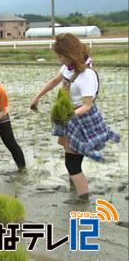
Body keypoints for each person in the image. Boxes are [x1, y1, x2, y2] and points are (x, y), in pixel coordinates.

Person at [30, 33, 119, 203]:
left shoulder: (87, 75)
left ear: (70, 55)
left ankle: (83, 199)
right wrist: (37, 96)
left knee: (72, 163)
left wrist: (69, 116)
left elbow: (87, 105)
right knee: (68, 153)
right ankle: (75, 187)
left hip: (80, 120)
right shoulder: (68, 67)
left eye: (60, 55)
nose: (58, 58)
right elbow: (55, 80)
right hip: (68, 116)